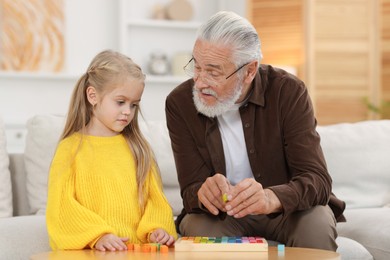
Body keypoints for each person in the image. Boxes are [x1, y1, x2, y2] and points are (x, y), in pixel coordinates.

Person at [165, 11, 346, 251]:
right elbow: (189, 191)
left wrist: (271, 198)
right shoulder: (180, 103)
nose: (199, 82)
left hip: (285, 212)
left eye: (213, 71)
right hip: (224, 216)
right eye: (196, 67)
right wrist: (202, 192)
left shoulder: (288, 92)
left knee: (316, 222)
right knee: (199, 227)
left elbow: (317, 180)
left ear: (249, 71)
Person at [46, 50, 177, 251]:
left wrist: (156, 229)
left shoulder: (139, 149)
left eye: (134, 105)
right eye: (120, 102)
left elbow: (155, 200)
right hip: (92, 252)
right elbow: (62, 207)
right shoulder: (70, 149)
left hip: (136, 252)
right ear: (93, 96)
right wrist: (98, 236)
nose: (128, 111)